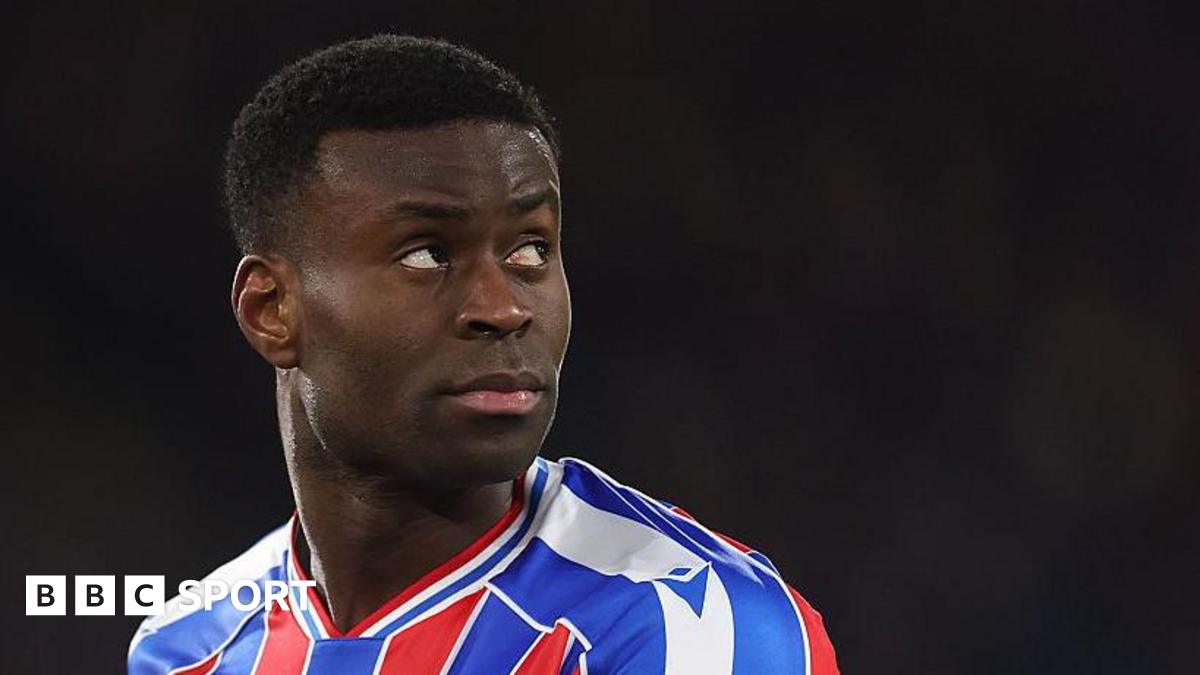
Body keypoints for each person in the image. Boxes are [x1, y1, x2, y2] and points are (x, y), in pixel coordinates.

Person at [127, 34, 839, 675]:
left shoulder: (689, 624)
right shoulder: (190, 647)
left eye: (531, 249)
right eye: (428, 253)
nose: (503, 307)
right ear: (271, 311)